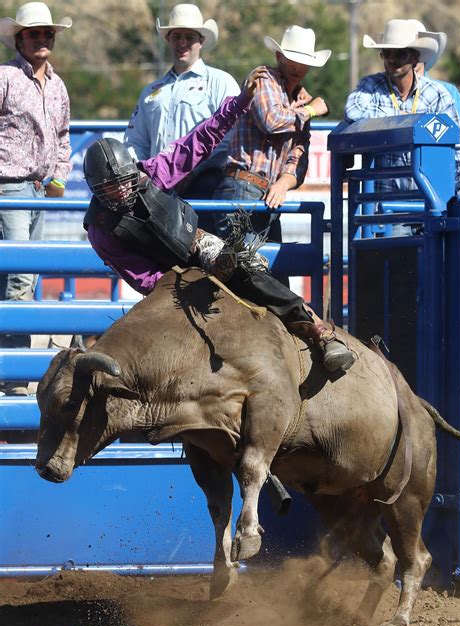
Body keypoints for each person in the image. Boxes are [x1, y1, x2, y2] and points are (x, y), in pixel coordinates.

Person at [83, 69, 355, 373]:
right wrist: (182, 283)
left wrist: (241, 102)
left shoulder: (152, 174)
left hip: (195, 243)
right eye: (112, 186)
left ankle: (318, 330)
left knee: (243, 269)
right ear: (98, 190)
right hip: (165, 281)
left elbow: (198, 141)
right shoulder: (101, 229)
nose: (122, 189)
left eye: (125, 181)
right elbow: (139, 275)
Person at [0, 1, 72, 396]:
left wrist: (59, 177)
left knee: (18, 276)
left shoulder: (57, 86)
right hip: (8, 186)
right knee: (21, 277)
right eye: (34, 33)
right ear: (20, 39)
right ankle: (13, 378)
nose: (41, 38)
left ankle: (8, 369)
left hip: (38, 189)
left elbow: (63, 136)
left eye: (47, 33)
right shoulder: (5, 78)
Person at [123, 3, 240, 232]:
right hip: (157, 189)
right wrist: (141, 174)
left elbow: (230, 136)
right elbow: (135, 140)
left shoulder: (219, 82)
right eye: (176, 36)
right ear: (168, 39)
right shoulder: (151, 91)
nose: (182, 43)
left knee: (202, 257)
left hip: (205, 185)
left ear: (201, 41)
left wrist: (190, 170)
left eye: (189, 36)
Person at [213, 25, 331, 245]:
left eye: (303, 61)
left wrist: (283, 184)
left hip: (268, 194)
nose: (298, 66)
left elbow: (298, 157)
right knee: (243, 271)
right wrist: (310, 111)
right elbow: (271, 120)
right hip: (242, 188)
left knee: (267, 275)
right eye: (292, 59)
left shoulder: (303, 99)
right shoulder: (264, 78)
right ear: (279, 57)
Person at [344, 18, 460, 209]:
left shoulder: (437, 94)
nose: (392, 59)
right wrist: (404, 121)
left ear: (415, 58)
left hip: (433, 202)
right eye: (386, 53)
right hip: (389, 205)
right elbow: (353, 112)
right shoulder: (370, 86)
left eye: (400, 54)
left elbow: (459, 147)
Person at [410, 19, 460, 163]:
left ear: (425, 53)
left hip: (442, 176)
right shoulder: (382, 95)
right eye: (402, 53)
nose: (410, 58)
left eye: (415, 52)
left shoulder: (448, 92)